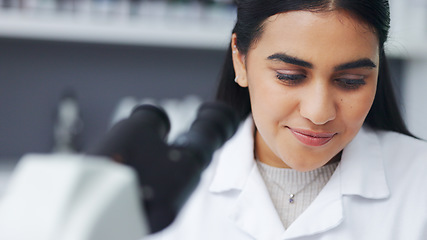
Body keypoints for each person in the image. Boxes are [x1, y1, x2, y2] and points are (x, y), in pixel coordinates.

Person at [146, 0, 427, 239]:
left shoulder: (418, 182)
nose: (318, 113)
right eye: (289, 77)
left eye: (351, 81)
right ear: (240, 61)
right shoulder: (164, 185)